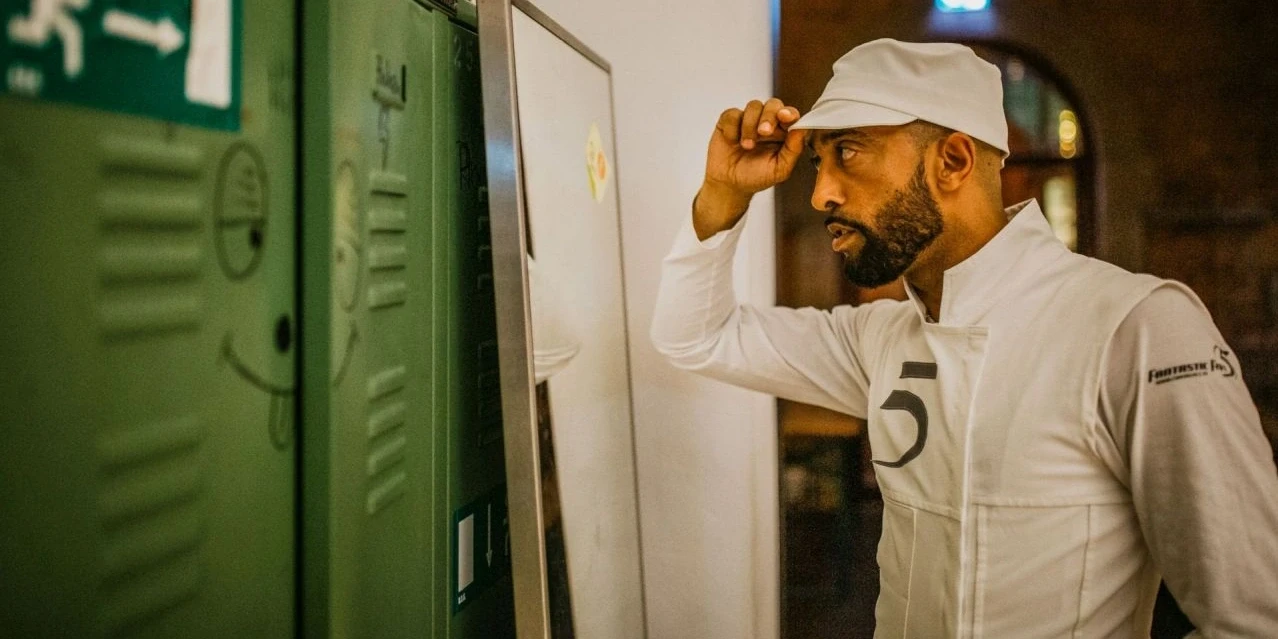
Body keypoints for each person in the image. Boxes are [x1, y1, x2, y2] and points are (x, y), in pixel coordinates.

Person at [650, 39, 1278, 637]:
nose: (820, 194)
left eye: (849, 152)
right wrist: (723, 192)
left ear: (952, 161)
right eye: (818, 162)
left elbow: (1253, 616)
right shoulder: (881, 337)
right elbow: (695, 336)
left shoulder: (1137, 326)